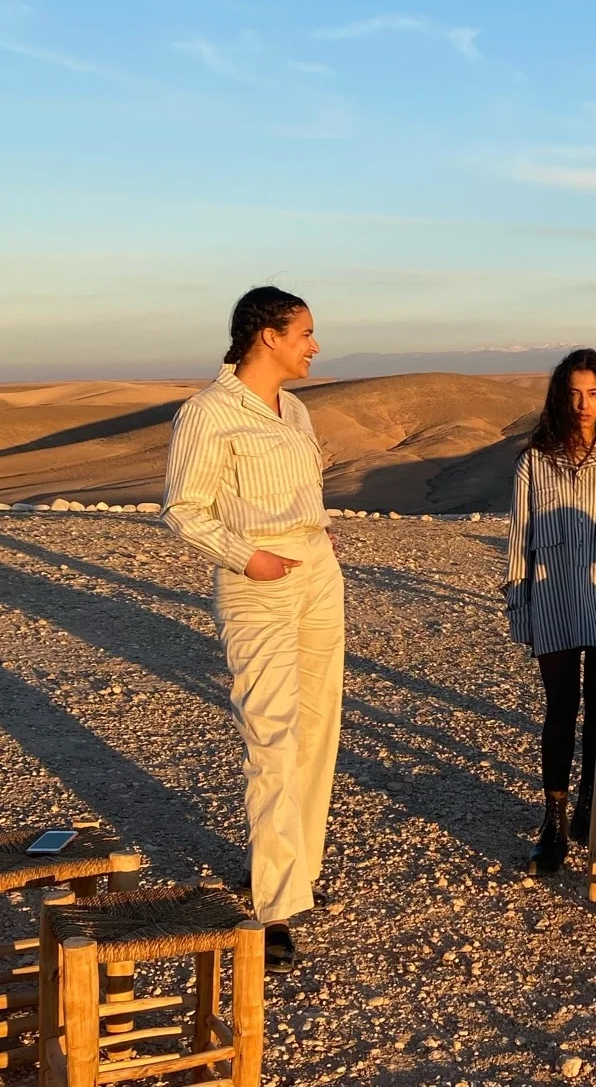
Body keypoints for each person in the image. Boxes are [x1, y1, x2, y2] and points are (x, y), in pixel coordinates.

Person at [161, 286, 343, 973]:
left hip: (318, 573)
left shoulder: (292, 408)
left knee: (317, 726)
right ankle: (273, 904)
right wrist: (251, 558)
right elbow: (183, 510)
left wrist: (322, 536)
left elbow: (305, 489)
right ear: (265, 335)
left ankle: (296, 872)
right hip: (257, 584)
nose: (313, 345)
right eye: (304, 332)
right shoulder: (208, 414)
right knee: (270, 732)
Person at [504, 349, 596, 876]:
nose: (583, 403)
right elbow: (520, 536)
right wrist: (518, 606)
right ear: (559, 398)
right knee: (560, 705)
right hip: (552, 599)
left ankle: (592, 815)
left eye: (592, 393)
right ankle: (553, 818)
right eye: (573, 393)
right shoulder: (534, 462)